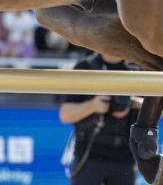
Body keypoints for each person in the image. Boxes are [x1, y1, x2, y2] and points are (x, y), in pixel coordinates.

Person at [58, 52, 143, 185]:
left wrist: (130, 102)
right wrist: (92, 106)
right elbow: (65, 114)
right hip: (89, 153)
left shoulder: (136, 69)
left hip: (125, 156)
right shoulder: (86, 67)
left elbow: (158, 112)